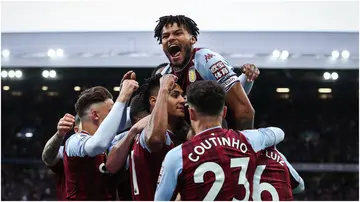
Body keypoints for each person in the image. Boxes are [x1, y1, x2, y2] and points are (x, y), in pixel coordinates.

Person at [154, 80, 285, 201]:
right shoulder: (248, 139)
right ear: (224, 112)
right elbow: (278, 132)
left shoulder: (177, 155)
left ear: (191, 113)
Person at [154, 15, 257, 130]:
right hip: (191, 140)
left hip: (224, 138)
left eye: (178, 33)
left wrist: (241, 146)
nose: (171, 38)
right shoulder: (165, 76)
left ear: (193, 39)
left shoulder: (208, 61)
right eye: (165, 36)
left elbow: (244, 111)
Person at [63, 72, 138, 200]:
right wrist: (122, 97)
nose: (115, 114)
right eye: (111, 111)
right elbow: (98, 144)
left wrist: (126, 100)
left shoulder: (110, 139)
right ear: (95, 115)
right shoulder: (74, 142)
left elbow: (131, 117)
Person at [126, 74, 186, 200]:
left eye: (182, 95)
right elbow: (156, 140)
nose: (182, 100)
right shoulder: (148, 133)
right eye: (175, 95)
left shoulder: (174, 135)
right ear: (154, 101)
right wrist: (164, 88)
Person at [41, 114, 80, 200]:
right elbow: (48, 158)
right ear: (77, 130)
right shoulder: (66, 152)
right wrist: (59, 135)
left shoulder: (111, 150)